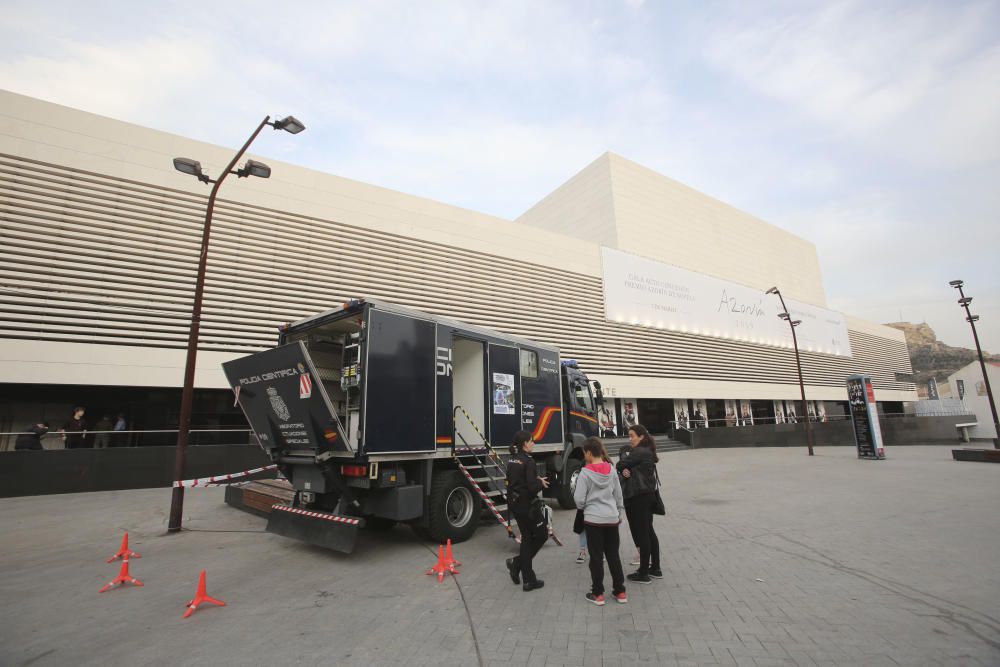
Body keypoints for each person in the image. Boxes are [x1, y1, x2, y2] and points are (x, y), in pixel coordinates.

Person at [574, 437, 627, 605]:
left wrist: (587, 505)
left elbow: (579, 500)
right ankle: (620, 592)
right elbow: (618, 494)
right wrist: (618, 510)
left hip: (593, 520)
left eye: (584, 453)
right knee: (613, 555)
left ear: (589, 453)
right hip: (612, 518)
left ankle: (598, 593)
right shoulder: (611, 469)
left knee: (596, 557)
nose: (584, 456)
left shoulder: (585, 472)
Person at [617, 424, 661, 584]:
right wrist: (626, 471)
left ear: (641, 436)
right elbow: (626, 468)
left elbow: (620, 464)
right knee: (649, 532)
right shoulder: (647, 451)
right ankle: (655, 568)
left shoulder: (640, 452)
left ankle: (643, 573)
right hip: (648, 495)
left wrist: (624, 469)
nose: (630, 439)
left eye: (632, 435)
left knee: (643, 534)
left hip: (639, 496)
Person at [505, 430, 549, 592]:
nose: (533, 444)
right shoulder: (529, 462)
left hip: (516, 506)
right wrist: (540, 484)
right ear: (525, 444)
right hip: (528, 506)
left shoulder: (513, 459)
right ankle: (518, 566)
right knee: (542, 534)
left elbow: (516, 481)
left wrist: (535, 479)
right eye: (531, 441)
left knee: (527, 539)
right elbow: (531, 488)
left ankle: (524, 574)